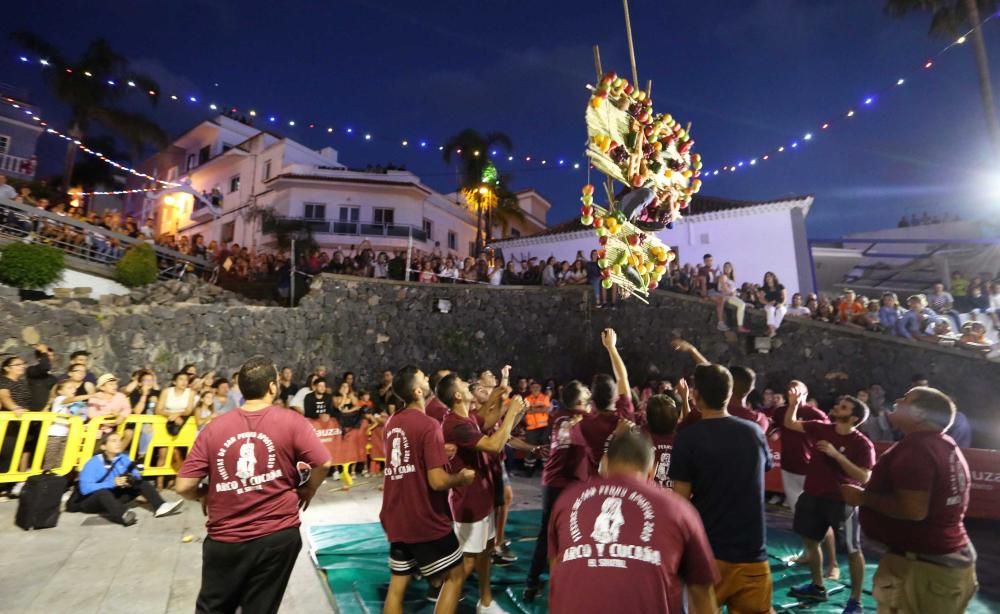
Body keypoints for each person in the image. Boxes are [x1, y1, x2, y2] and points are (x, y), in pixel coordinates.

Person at [175, 357, 333, 614]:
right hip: (278, 535)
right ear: (272, 387)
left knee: (214, 607)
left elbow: (183, 486)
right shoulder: (291, 421)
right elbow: (323, 463)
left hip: (226, 539)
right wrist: (309, 488)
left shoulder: (215, 428)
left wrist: (204, 493)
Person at [548, 431, 720, 613]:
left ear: (604, 462)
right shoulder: (678, 509)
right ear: (652, 471)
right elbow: (702, 597)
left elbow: (555, 574)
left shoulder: (567, 500)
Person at [841, 386, 978, 614]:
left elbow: (914, 510)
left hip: (922, 568)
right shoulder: (943, 445)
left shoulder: (918, 448)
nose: (897, 400)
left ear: (920, 414)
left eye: (905, 398)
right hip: (939, 563)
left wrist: (862, 497)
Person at [668, 363, 775, 614]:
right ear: (730, 394)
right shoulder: (754, 433)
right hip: (753, 553)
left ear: (696, 397)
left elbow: (679, 503)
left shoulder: (689, 438)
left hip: (708, 556)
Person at [379, 366, 476, 614]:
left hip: (395, 516)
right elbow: (437, 481)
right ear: (418, 390)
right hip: (424, 518)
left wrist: (438, 452)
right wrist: (461, 478)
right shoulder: (428, 424)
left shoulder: (391, 423)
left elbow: (407, 461)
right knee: (455, 576)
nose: (428, 378)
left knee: (397, 588)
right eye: (424, 377)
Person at [439, 373, 526, 614]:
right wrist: (511, 413)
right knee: (463, 567)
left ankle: (485, 603)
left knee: (485, 551)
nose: (468, 384)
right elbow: (493, 444)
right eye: (463, 384)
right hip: (469, 503)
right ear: (457, 395)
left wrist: (502, 401)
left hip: (482, 497)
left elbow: (487, 419)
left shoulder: (465, 418)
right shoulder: (455, 425)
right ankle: (440, 600)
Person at [784, 385, 875, 613]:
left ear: (854, 417)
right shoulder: (821, 428)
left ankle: (855, 601)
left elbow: (864, 476)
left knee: (854, 550)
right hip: (813, 495)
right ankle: (817, 586)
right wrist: (794, 405)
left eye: (843, 407)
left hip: (842, 502)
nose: (836, 407)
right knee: (810, 541)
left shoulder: (862, 444)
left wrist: (836, 455)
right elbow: (790, 423)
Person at [523, 380, 591, 601]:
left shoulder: (557, 416)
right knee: (574, 535)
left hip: (551, 481)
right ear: (580, 401)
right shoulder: (582, 420)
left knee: (547, 533)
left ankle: (531, 584)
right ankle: (566, 586)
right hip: (569, 484)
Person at [69, 432, 183, 525]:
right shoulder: (93, 463)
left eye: (119, 440)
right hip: (90, 501)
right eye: (113, 441)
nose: (118, 443)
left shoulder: (124, 458)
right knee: (102, 492)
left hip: (114, 496)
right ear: (103, 446)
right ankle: (123, 515)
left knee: (141, 483)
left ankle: (160, 506)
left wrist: (130, 480)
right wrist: (112, 483)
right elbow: (85, 488)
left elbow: (136, 474)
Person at [574, 328, 635, 478]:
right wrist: (611, 348)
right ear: (615, 396)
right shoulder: (625, 415)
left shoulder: (585, 424)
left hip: (596, 485)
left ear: (592, 399)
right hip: (622, 482)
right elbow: (622, 378)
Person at [520, 381, 551, 476]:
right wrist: (539, 408)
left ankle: (547, 471)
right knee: (531, 449)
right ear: (530, 388)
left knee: (545, 449)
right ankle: (529, 471)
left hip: (544, 427)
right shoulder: (527, 398)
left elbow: (546, 409)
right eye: (533, 387)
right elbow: (526, 411)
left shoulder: (545, 397)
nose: (536, 388)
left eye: (537, 386)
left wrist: (532, 408)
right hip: (531, 428)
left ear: (540, 387)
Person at [758, 271, 787, 337]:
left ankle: (771, 330)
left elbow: (785, 298)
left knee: (782, 311)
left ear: (773, 277)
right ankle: (772, 330)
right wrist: (769, 303)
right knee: (771, 310)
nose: (768, 278)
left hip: (779, 304)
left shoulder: (780, 286)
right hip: (769, 304)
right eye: (766, 277)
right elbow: (761, 299)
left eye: (769, 276)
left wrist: (781, 304)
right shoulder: (764, 288)